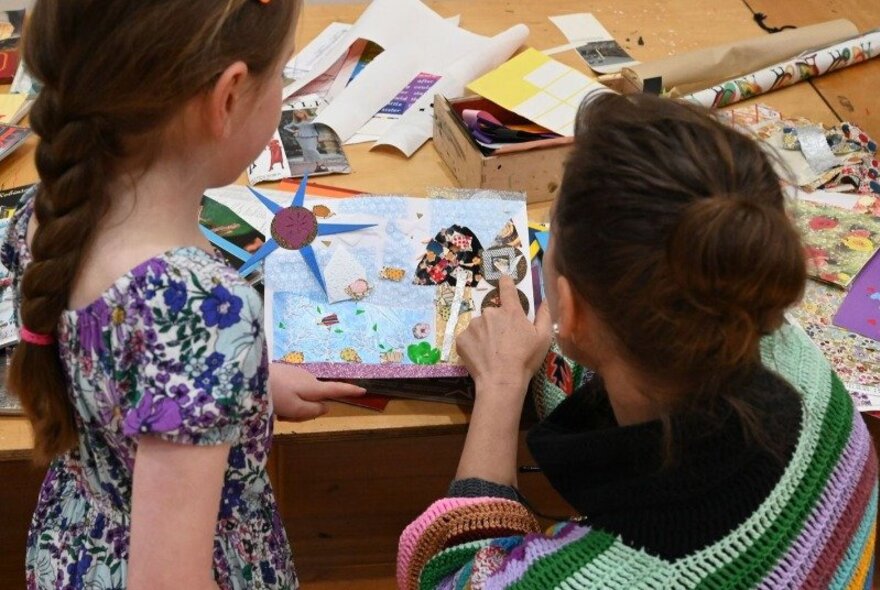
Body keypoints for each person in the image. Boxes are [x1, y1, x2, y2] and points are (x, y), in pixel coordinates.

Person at [398, 93, 878, 589]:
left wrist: (500, 385)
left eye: (551, 234)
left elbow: (449, 576)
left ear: (574, 310)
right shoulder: (793, 359)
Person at [3, 1, 364, 588]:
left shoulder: (48, 211)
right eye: (283, 76)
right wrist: (220, 364)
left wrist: (248, 384)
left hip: (81, 538)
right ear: (227, 98)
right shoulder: (204, 311)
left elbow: (125, 370)